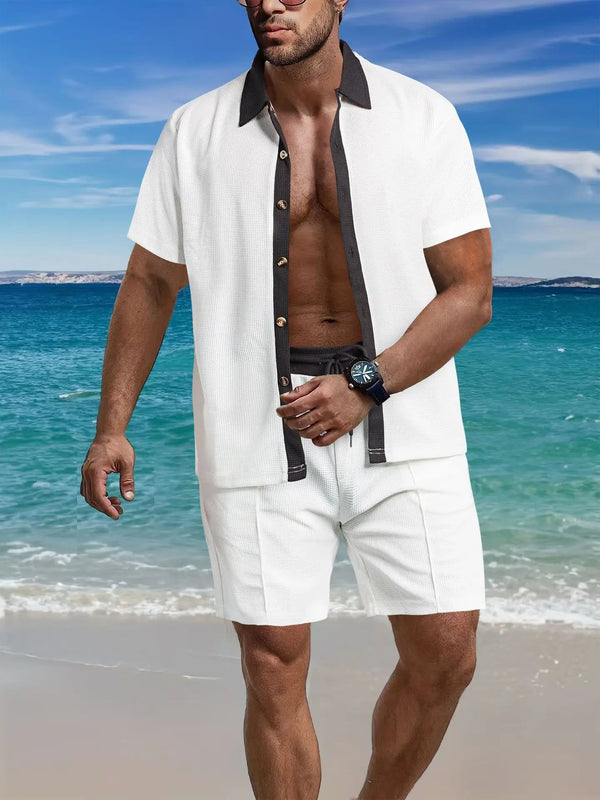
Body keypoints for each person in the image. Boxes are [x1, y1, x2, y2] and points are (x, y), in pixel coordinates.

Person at [80, 1, 493, 797]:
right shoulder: (193, 132)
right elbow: (151, 279)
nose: (273, 2)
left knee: (448, 650)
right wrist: (111, 429)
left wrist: (364, 387)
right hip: (253, 429)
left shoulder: (421, 117)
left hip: (405, 423)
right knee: (272, 665)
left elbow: (468, 293)